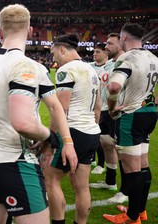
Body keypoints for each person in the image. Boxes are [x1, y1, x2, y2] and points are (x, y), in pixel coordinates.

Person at [0, 4, 77, 224]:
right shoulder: (27, 66)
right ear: (29, 31)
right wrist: (54, 138)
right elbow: (24, 122)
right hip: (14, 160)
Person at [103, 23, 158, 224]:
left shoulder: (127, 58)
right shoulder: (153, 57)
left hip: (131, 115)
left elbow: (114, 86)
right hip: (149, 112)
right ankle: (140, 210)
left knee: (131, 168)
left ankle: (132, 217)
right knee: (143, 164)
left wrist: (111, 107)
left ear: (124, 37)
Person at [45, 34, 101, 224]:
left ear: (62, 49)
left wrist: (51, 138)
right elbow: (98, 107)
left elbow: (60, 109)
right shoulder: (92, 70)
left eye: (54, 53)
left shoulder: (66, 70)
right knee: (82, 187)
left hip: (73, 132)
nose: (53, 59)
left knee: (51, 179)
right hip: (92, 132)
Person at [89, 33, 129, 204]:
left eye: (110, 43)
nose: (106, 46)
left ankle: (125, 191)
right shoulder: (109, 65)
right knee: (106, 143)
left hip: (118, 111)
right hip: (105, 110)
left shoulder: (125, 63)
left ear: (120, 45)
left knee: (123, 152)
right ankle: (110, 182)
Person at [90, 42, 109, 175]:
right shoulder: (89, 67)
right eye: (94, 51)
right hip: (90, 107)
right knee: (92, 134)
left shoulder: (111, 67)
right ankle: (92, 158)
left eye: (98, 52)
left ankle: (102, 164)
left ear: (105, 53)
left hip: (105, 108)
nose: (94, 54)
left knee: (103, 138)